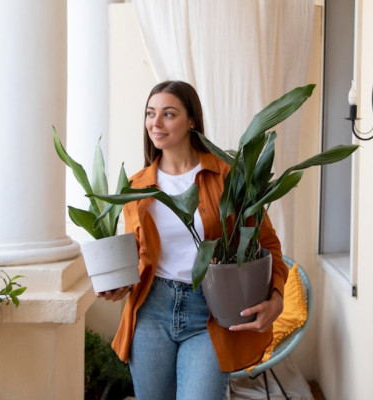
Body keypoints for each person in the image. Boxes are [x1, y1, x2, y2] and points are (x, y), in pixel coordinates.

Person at [96, 80, 288, 400]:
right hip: (151, 311)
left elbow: (267, 244)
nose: (156, 123)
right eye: (150, 113)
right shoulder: (135, 187)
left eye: (168, 114)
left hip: (211, 311)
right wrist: (117, 284)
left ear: (191, 121)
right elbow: (138, 254)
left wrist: (277, 297)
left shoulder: (228, 176)